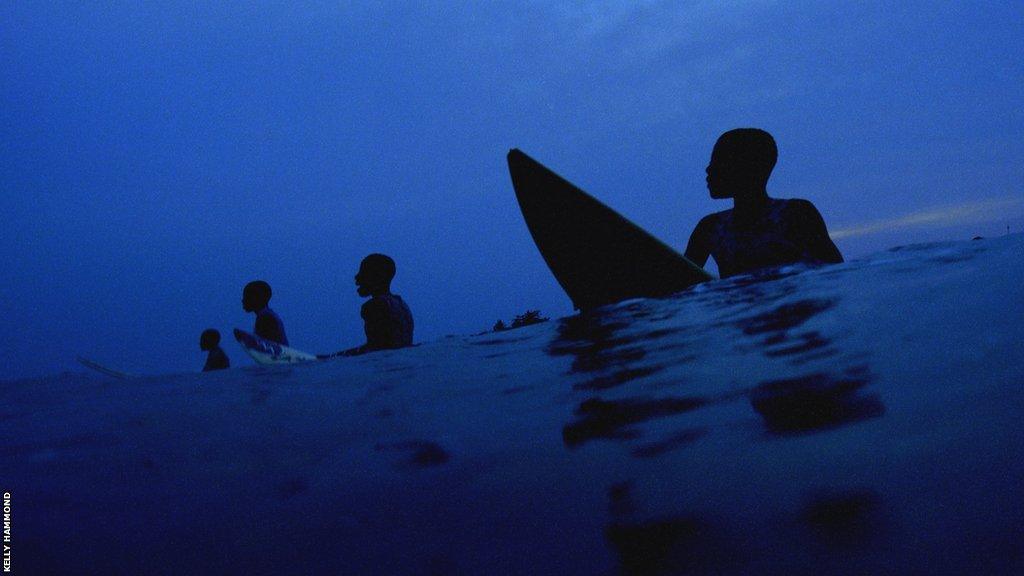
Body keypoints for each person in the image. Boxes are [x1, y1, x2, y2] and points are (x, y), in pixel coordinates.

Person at [684, 128, 843, 279]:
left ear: (747, 167)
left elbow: (835, 271)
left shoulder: (796, 214)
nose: (709, 169)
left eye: (719, 161)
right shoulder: (709, 228)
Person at [339, 254, 414, 356]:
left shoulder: (375, 306)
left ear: (376, 277)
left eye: (363, 273)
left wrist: (334, 357)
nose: (357, 277)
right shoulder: (401, 304)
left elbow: (377, 350)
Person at [242, 280, 289, 345]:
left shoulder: (265, 317)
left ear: (256, 298)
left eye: (247, 297)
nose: (243, 300)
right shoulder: (268, 315)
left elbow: (269, 345)